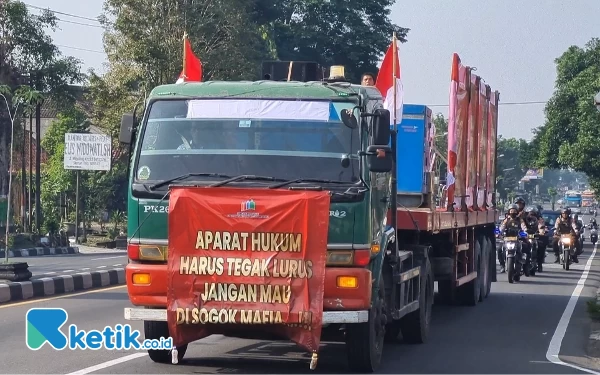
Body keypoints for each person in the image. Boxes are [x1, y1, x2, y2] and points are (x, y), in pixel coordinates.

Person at [498, 204, 528, 273]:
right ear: (509, 211)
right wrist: (498, 232)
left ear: (517, 212)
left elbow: (524, 227)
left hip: (517, 239)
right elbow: (502, 227)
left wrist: (525, 232)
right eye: (511, 211)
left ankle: (524, 264)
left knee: (525, 246)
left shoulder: (520, 220)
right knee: (499, 249)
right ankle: (502, 265)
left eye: (514, 211)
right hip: (507, 239)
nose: (512, 212)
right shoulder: (506, 220)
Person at [524, 206, 545, 271]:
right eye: (529, 213)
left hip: (535, 236)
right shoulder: (524, 220)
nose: (531, 215)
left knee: (541, 246)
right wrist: (523, 233)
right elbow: (522, 226)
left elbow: (541, 226)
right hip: (526, 237)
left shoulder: (539, 220)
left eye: (533, 214)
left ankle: (540, 264)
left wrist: (541, 231)